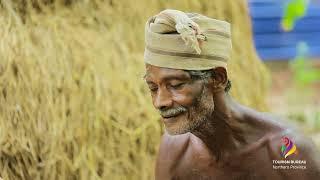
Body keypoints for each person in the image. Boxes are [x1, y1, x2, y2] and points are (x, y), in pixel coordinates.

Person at [143, 9, 320, 180]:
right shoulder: (174, 151)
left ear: (218, 79)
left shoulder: (285, 153)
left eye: (176, 85)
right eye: (153, 88)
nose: (160, 102)